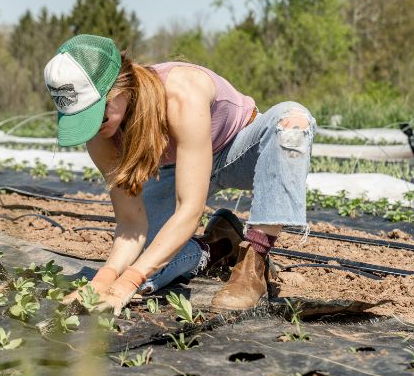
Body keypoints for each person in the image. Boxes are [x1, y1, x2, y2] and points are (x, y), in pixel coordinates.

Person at [44, 34, 315, 315]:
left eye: (97, 115)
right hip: (179, 168)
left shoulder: (180, 92)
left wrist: (128, 282)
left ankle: (254, 262)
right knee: (146, 267)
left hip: (239, 151)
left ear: (120, 87)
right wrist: (104, 279)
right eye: (81, 120)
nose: (95, 127)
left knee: (292, 122)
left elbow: (189, 209)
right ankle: (217, 246)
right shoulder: (101, 136)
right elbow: (131, 224)